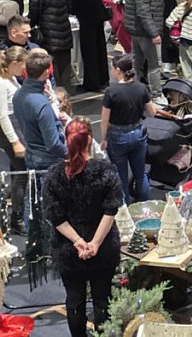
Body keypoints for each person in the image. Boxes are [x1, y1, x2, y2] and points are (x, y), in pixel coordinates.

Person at [42, 116, 122, 337]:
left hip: (68, 252)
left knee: (75, 301)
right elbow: (111, 209)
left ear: (67, 141)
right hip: (103, 248)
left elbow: (54, 216)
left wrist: (78, 242)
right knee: (103, 299)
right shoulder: (106, 171)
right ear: (89, 141)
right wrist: (94, 243)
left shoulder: (53, 176)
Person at [99, 54, 156, 204]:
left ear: (118, 70)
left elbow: (104, 120)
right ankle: (146, 205)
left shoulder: (111, 91)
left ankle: (125, 211)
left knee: (121, 176)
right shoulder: (141, 88)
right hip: (138, 133)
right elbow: (152, 112)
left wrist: (103, 138)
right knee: (141, 174)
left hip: (117, 136)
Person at [13, 49, 67, 175]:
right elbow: (52, 144)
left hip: (31, 154)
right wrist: (69, 153)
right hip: (48, 160)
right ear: (47, 72)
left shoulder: (18, 95)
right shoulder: (41, 104)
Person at [61, 0, 108, 92]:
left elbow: (72, 7)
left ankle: (92, 83)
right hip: (98, 17)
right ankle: (103, 79)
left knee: (89, 52)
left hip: (87, 20)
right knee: (100, 49)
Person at [123, 0, 163, 96]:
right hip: (144, 31)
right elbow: (143, 10)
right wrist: (154, 32)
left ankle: (131, 89)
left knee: (136, 62)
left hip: (136, 30)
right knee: (153, 64)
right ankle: (157, 94)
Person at [28, 0, 74, 88]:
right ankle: (65, 96)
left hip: (47, 32)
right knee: (65, 65)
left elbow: (34, 12)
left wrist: (30, 25)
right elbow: (69, 7)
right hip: (64, 29)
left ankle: (54, 96)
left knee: (50, 67)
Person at [0, 47, 27, 232]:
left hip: (17, 126)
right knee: (22, 174)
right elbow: (2, 115)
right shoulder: (2, 83)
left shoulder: (12, 79)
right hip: (10, 130)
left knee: (17, 172)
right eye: (23, 64)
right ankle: (17, 218)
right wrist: (15, 141)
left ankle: (16, 214)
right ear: (15, 64)